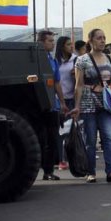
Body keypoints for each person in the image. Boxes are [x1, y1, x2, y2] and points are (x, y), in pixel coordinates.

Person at [72, 28, 111, 183]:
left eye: (104, 37)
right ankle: (91, 172)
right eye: (98, 38)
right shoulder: (82, 60)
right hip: (88, 103)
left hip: (106, 103)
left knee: (108, 137)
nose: (102, 41)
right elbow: (78, 85)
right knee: (90, 139)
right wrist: (77, 106)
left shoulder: (110, 58)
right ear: (91, 40)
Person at [38, 30, 67, 180]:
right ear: (41, 43)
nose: (53, 43)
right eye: (49, 41)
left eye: (53, 40)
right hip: (39, 106)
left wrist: (62, 102)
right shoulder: (36, 60)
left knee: (52, 139)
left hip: (52, 105)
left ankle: (48, 171)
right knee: (41, 139)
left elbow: (57, 83)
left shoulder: (53, 61)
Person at [55, 36, 77, 170]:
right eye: (68, 44)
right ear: (62, 46)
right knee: (60, 131)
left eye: (72, 44)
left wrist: (77, 74)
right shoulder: (55, 61)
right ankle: (61, 159)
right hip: (58, 99)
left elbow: (80, 80)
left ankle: (71, 158)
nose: (71, 46)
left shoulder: (75, 60)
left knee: (71, 130)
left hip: (72, 99)